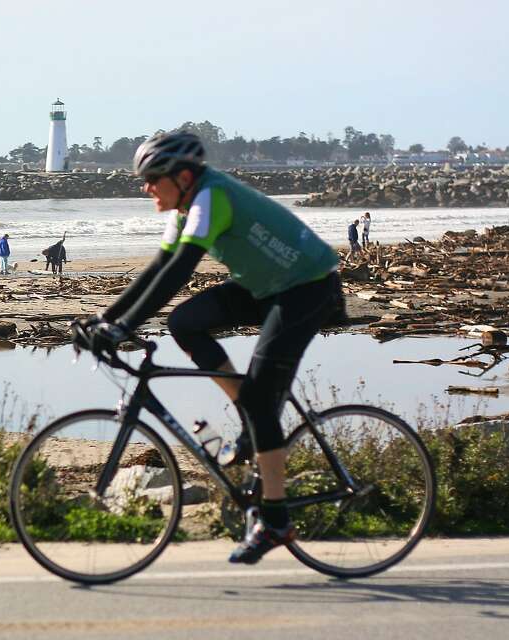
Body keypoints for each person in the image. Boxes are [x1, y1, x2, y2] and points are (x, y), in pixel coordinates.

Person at [81, 131, 342, 565]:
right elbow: (159, 266)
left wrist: (123, 326)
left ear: (182, 176)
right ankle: (251, 413)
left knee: (262, 402)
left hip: (307, 289)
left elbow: (180, 270)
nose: (146, 188)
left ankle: (276, 519)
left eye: (152, 179)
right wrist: (106, 320)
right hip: (266, 286)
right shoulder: (186, 205)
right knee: (184, 322)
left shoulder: (211, 198)